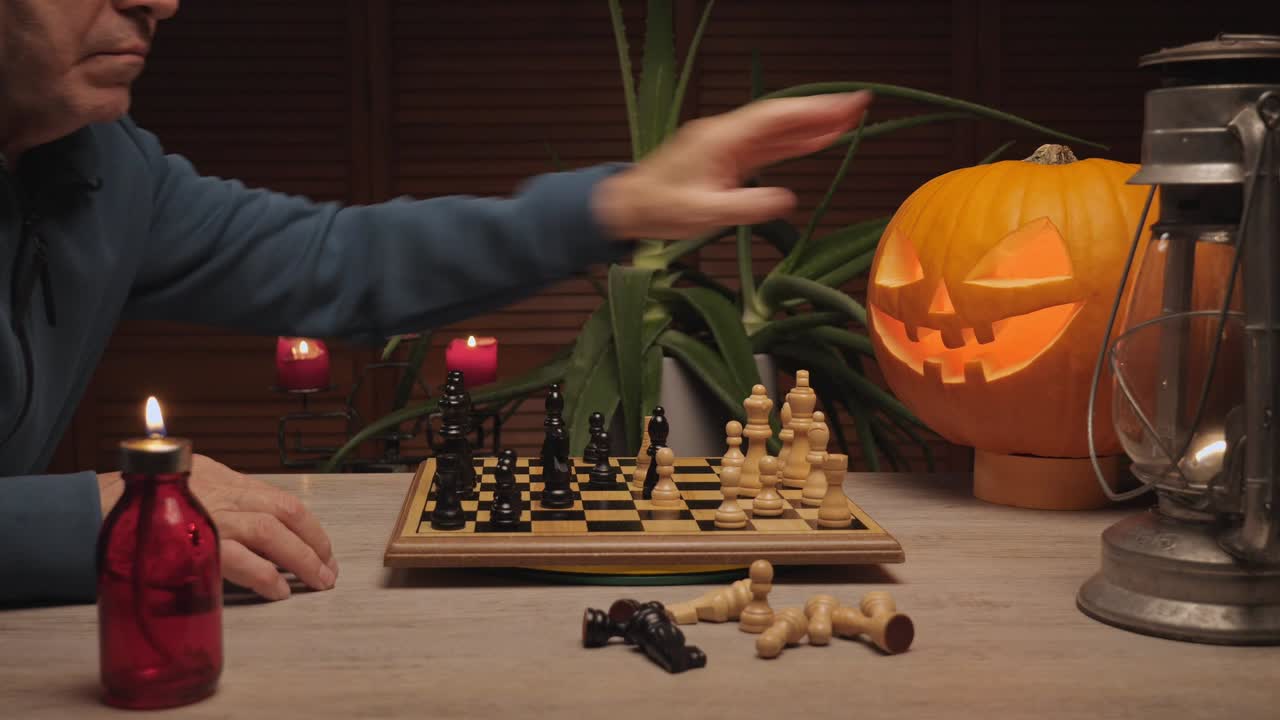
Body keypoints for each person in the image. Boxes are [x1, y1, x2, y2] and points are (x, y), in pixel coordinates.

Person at [0, 0, 872, 608]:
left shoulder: (107, 168)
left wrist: (621, 203)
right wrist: (84, 519)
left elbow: (338, 261)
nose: (159, 1)